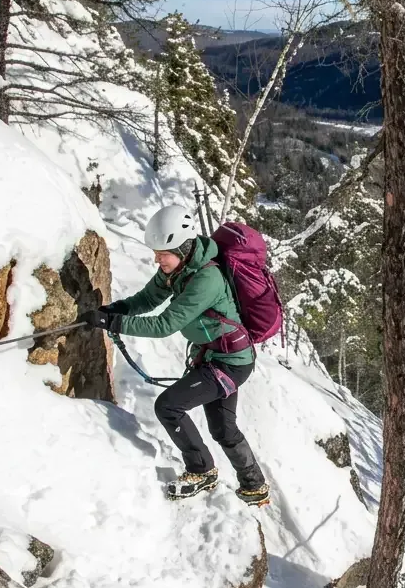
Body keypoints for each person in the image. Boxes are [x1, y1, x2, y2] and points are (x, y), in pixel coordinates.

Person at [80, 206, 269, 505]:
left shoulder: (207, 280)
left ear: (182, 247)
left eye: (162, 253)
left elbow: (164, 325)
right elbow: (147, 299)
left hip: (230, 363)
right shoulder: (177, 268)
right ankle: (254, 486)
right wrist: (115, 310)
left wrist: (113, 324)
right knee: (223, 428)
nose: (157, 258)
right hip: (213, 357)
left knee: (168, 407)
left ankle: (201, 470)